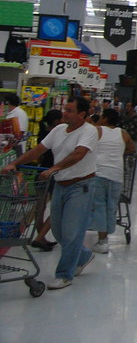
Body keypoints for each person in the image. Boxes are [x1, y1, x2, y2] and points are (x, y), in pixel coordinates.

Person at [2, 97, 98, 290]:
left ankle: (64, 275)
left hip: (81, 186)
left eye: (70, 110)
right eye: (65, 109)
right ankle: (84, 255)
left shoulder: (89, 131)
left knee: (71, 233)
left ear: (82, 115)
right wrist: (15, 163)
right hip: (60, 185)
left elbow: (78, 155)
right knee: (59, 232)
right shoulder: (58, 130)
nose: (65, 112)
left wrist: (54, 168)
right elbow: (39, 149)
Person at [89, 109, 136, 254]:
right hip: (116, 174)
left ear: (105, 118)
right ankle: (106, 236)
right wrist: (119, 153)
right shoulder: (123, 133)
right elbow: (132, 149)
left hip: (99, 172)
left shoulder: (97, 131)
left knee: (99, 206)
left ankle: (102, 240)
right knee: (111, 206)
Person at [28, 109, 63, 251]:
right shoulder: (58, 135)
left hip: (41, 172)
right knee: (57, 207)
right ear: (56, 121)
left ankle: (41, 236)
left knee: (40, 208)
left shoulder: (42, 133)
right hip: (54, 173)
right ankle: (41, 236)